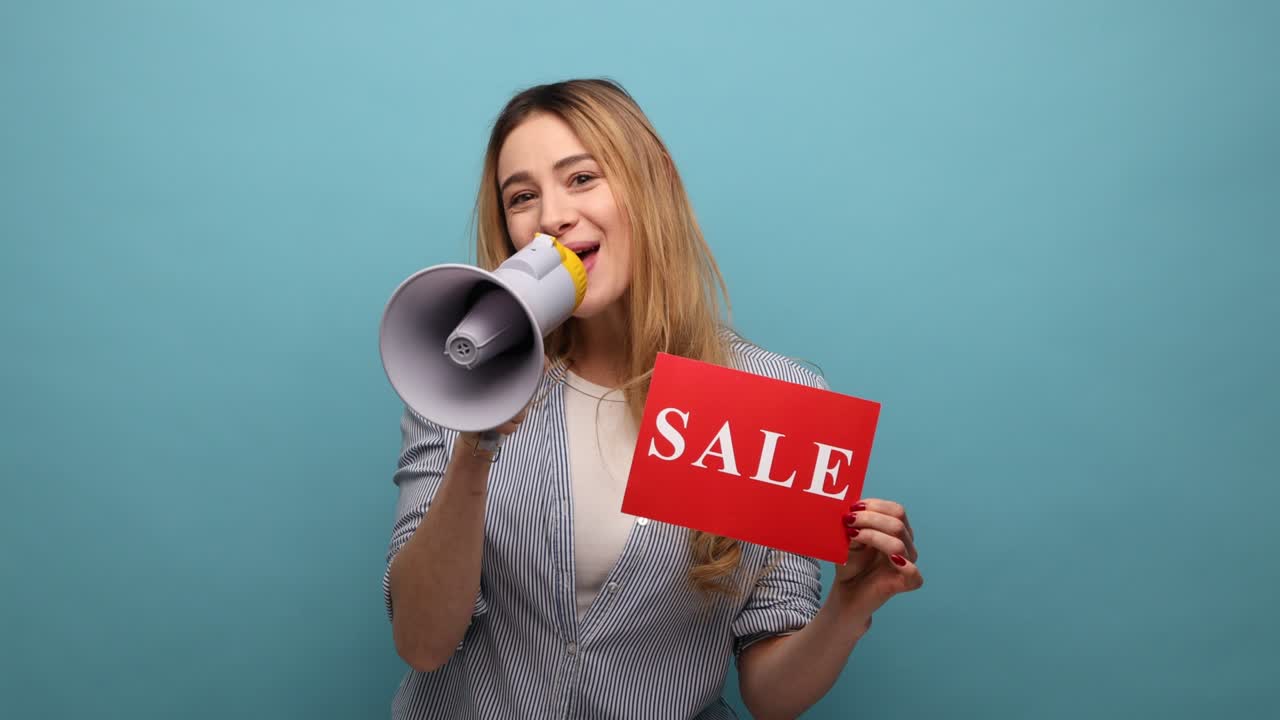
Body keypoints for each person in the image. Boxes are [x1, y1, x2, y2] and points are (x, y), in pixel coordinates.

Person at [382, 78, 923, 720]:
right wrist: (479, 441)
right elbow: (421, 643)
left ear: (653, 183)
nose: (552, 216)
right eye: (522, 196)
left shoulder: (772, 401)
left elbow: (770, 695)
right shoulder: (459, 379)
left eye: (581, 178)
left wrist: (846, 610)